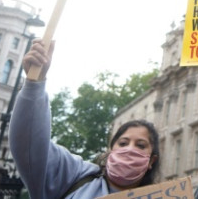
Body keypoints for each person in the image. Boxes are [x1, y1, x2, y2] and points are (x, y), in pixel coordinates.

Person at [10, 40, 160, 198]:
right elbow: (30, 145)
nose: (129, 149)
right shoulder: (74, 176)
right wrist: (35, 84)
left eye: (140, 146)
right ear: (110, 150)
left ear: (151, 161)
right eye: (123, 143)